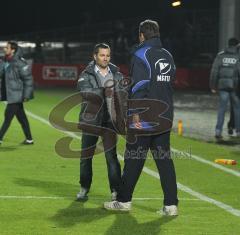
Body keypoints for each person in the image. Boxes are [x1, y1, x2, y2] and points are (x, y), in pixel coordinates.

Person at [104, 19, 179, 216]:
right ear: (158, 33)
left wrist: (134, 113)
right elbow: (170, 83)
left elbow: (139, 86)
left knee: (133, 159)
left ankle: (123, 201)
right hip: (165, 114)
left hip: (144, 116)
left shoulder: (141, 53)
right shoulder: (168, 55)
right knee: (165, 161)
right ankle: (171, 205)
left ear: (141, 35)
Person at [76, 43, 123, 201]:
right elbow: (86, 92)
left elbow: (123, 92)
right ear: (95, 56)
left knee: (111, 158)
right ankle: (84, 187)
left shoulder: (116, 74)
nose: (105, 58)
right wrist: (107, 91)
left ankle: (115, 191)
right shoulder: (86, 74)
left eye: (108, 55)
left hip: (110, 121)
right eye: (102, 55)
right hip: (91, 120)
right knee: (86, 157)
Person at [0, 41, 34, 145]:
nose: (4, 49)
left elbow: (28, 79)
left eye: (7, 47)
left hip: (17, 95)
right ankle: (29, 139)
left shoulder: (19, 62)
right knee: (22, 118)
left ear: (13, 50)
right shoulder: (6, 61)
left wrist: (26, 95)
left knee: (8, 117)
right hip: (11, 94)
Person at [210, 38, 240, 139]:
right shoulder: (238, 56)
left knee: (222, 109)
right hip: (235, 87)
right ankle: (238, 132)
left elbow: (214, 71)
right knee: (237, 109)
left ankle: (218, 131)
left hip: (222, 86)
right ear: (237, 45)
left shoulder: (220, 55)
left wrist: (212, 86)